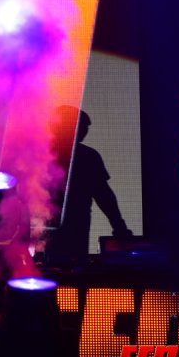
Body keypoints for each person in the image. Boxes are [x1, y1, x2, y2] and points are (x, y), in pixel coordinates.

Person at [47, 106, 132, 263]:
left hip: (58, 224)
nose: (85, 131)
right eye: (82, 126)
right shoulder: (88, 155)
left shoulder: (42, 154)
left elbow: (103, 194)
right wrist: (119, 226)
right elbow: (104, 195)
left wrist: (119, 225)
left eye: (85, 127)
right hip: (72, 224)